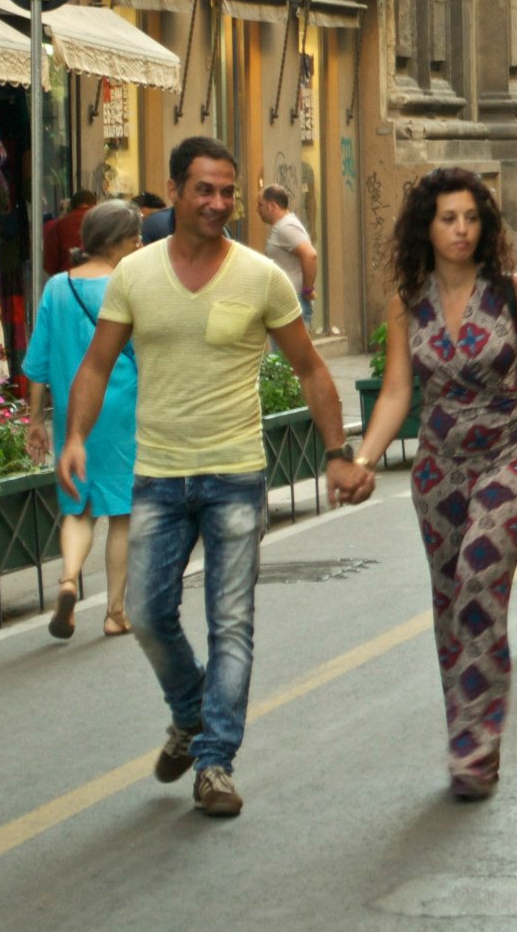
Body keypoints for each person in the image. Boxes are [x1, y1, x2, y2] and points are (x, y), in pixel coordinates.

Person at [61, 136, 364, 818]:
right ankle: (191, 712)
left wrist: (338, 451)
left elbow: (313, 369)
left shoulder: (261, 275)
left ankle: (215, 761)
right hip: (158, 474)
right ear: (175, 190)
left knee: (231, 622)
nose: (219, 203)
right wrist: (74, 435)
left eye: (228, 191)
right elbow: (97, 364)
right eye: (205, 189)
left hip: (234, 471)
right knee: (145, 613)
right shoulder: (134, 275)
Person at [355, 168, 517, 799]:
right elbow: (399, 391)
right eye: (447, 219)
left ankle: (476, 749)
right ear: (425, 229)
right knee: (448, 602)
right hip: (439, 466)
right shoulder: (409, 302)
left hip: (511, 453)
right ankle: (464, 726)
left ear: (485, 226)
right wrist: (366, 459)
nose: (460, 230)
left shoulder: (513, 292)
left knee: (479, 581)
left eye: (471, 218)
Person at [25, 200, 142, 640]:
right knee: (122, 513)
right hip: (122, 409)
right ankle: (114, 612)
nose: (139, 245)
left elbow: (37, 360)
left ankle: (70, 578)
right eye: (135, 238)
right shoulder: (127, 286)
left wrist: (36, 418)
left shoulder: (56, 287)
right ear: (118, 243)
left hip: (73, 415)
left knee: (79, 505)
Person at [256, 183, 319, 327]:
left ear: (272, 206)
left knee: (290, 350)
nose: (257, 210)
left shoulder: (286, 227)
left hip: (292, 303)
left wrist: (308, 290)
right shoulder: (283, 226)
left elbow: (310, 255)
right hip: (286, 303)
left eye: (260, 204)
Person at [43, 188, 97, 281]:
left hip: (68, 281)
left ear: (71, 206)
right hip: (98, 280)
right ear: (95, 205)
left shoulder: (58, 226)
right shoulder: (103, 223)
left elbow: (49, 265)